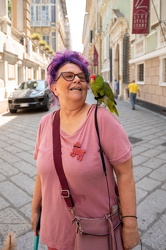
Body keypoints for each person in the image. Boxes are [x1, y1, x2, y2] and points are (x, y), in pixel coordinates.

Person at [31, 50, 140, 250]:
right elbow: (42, 171)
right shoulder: (45, 124)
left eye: (81, 77)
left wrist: (131, 225)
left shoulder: (103, 120)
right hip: (55, 230)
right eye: (69, 76)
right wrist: (35, 208)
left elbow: (125, 174)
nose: (78, 80)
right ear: (54, 87)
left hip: (96, 233)